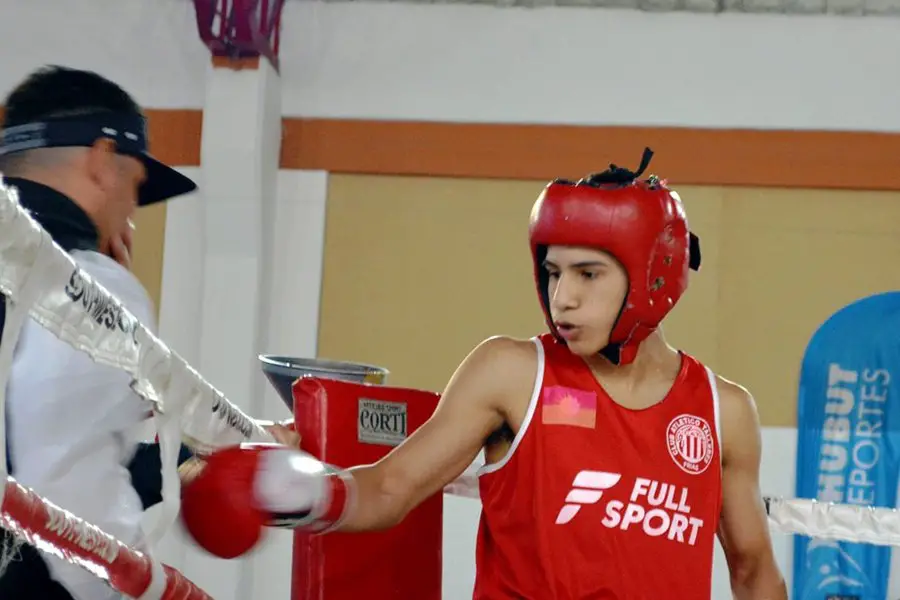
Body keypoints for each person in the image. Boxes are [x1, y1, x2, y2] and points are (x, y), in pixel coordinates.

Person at [180, 149, 787, 599]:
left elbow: (753, 567)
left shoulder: (720, 410)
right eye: (553, 273)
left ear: (654, 274)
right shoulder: (513, 372)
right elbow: (391, 490)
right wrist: (306, 492)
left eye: (588, 274)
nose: (562, 299)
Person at [0, 65, 298, 599]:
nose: (132, 215)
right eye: (136, 186)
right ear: (101, 161)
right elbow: (62, 474)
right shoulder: (89, 284)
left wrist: (202, 456)